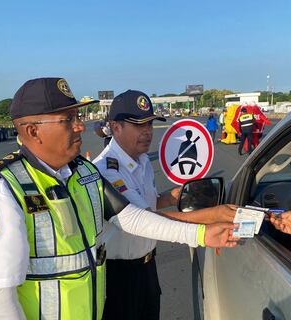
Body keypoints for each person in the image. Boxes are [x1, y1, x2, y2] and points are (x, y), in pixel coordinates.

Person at [0, 78, 238, 320]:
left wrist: (203, 235)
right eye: (68, 119)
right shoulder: (2, 193)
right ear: (32, 131)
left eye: (78, 116)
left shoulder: (84, 173)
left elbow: (131, 218)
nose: (80, 126)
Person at [93, 90, 238, 320]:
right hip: (119, 276)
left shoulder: (141, 160)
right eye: (139, 125)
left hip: (147, 268)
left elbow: (149, 201)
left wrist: (170, 198)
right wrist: (208, 221)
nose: (148, 132)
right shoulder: (107, 170)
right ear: (116, 127)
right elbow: (142, 218)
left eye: (150, 124)